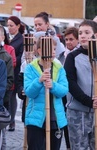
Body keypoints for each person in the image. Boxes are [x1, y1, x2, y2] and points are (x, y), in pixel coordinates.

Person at [24, 35, 68, 150]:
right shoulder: (31, 68)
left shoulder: (59, 68)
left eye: (54, 49)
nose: (53, 52)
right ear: (39, 50)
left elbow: (64, 90)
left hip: (55, 119)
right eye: (49, 49)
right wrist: (39, 81)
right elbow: (29, 93)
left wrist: (53, 85)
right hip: (36, 119)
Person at [64, 19, 97, 150]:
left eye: (87, 32)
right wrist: (88, 101)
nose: (83, 36)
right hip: (78, 112)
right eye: (81, 32)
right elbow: (70, 83)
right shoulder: (72, 57)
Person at [7, 16, 24, 131]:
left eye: (11, 25)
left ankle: (12, 120)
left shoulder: (21, 39)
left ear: (18, 26)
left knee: (12, 96)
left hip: (15, 70)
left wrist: (10, 60)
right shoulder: (6, 38)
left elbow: (21, 56)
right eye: (8, 25)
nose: (9, 28)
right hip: (5, 69)